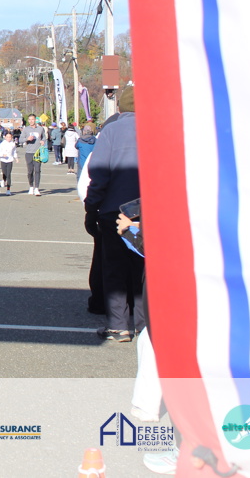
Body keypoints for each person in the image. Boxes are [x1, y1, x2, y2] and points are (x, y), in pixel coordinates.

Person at [84, 87, 142, 342]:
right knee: (143, 271)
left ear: (120, 107)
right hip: (147, 211)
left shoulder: (112, 130)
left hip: (114, 211)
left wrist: (91, 207)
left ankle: (119, 326)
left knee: (114, 269)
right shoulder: (157, 128)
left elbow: (99, 173)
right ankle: (144, 326)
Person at [20, 113, 46, 196]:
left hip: (38, 152)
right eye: (30, 119)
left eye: (32, 119)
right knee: (30, 171)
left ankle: (37, 188)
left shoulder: (40, 129)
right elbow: (20, 140)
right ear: (28, 121)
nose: (31, 121)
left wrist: (43, 141)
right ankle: (31, 186)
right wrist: (27, 139)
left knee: (37, 170)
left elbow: (44, 137)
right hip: (29, 153)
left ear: (35, 120)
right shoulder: (26, 129)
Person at [0, 131, 18, 195]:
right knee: (4, 173)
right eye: (7, 137)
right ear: (5, 137)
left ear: (11, 137)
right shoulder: (2, 144)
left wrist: (16, 158)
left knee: (9, 174)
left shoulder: (13, 144)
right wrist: (2, 155)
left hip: (10, 160)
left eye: (10, 137)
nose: (8, 138)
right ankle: (4, 180)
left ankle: (8, 190)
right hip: (3, 160)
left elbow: (14, 152)